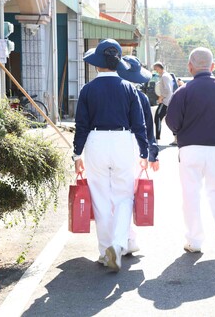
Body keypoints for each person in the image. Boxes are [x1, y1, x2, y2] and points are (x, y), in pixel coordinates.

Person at [73, 39, 148, 272]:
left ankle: (106, 250)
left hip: (96, 142)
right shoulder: (129, 89)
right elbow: (139, 124)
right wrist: (145, 151)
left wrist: (77, 155)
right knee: (124, 196)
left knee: (101, 197)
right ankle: (118, 244)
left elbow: (81, 125)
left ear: (97, 64)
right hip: (123, 141)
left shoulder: (87, 89)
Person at [166, 47, 215, 256]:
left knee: (191, 194)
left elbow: (172, 121)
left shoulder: (183, 91)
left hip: (190, 148)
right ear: (213, 66)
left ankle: (194, 240)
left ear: (190, 67)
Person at [117, 55, 160, 255]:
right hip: (135, 148)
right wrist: (152, 154)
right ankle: (129, 238)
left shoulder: (113, 92)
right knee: (128, 193)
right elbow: (148, 130)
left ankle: (117, 239)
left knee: (112, 195)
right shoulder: (141, 97)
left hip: (111, 146)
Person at [152, 62, 173, 141]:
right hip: (168, 101)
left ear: (158, 67)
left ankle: (157, 137)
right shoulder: (167, 75)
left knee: (157, 118)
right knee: (171, 120)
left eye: (155, 68)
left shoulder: (164, 76)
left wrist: (161, 98)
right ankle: (176, 138)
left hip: (165, 102)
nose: (155, 70)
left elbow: (167, 90)